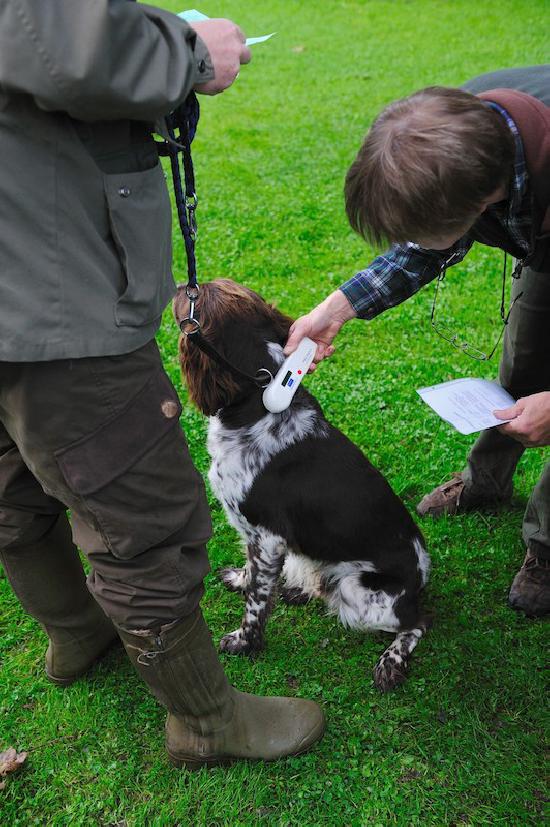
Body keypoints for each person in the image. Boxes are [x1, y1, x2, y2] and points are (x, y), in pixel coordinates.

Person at [0, 0, 325, 769]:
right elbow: (68, 46)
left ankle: (77, 633)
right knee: (141, 517)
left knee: (15, 479)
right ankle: (208, 722)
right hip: (46, 282)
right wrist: (190, 51)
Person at [285, 65, 550, 618]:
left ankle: (546, 545)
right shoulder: (467, 124)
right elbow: (421, 248)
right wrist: (337, 308)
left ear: (480, 204)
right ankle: (486, 481)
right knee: (526, 355)